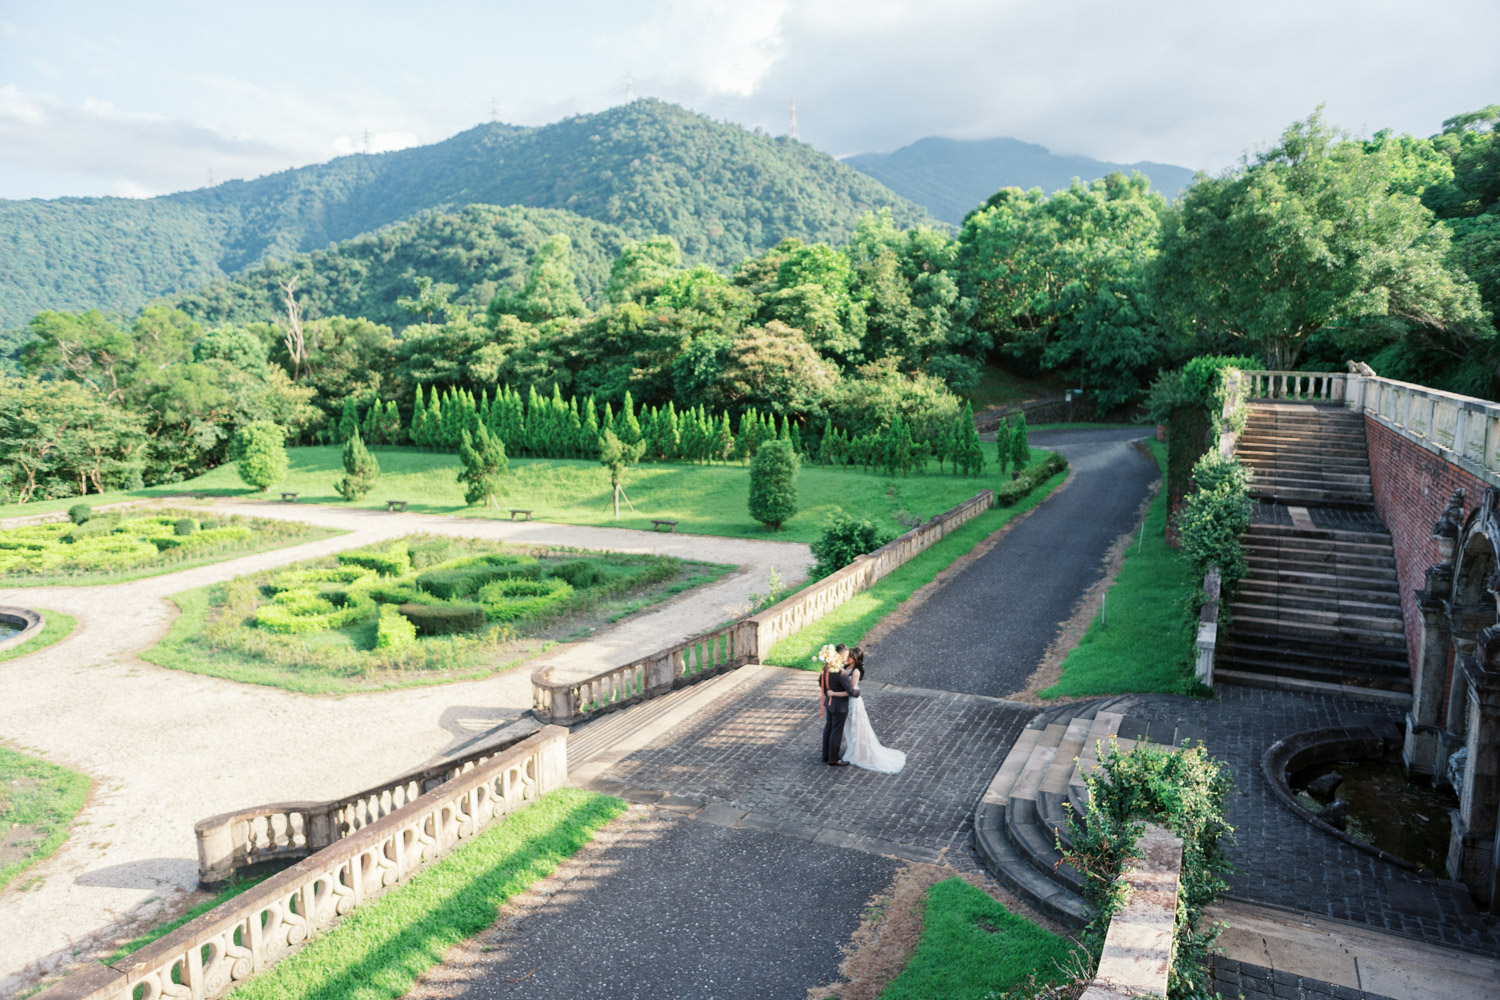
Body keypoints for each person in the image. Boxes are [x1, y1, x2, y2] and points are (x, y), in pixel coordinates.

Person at [840, 647, 906, 773]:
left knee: (856, 727)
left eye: (850, 656)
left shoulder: (855, 672)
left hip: (853, 703)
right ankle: (852, 749)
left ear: (855, 659)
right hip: (846, 703)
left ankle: (858, 752)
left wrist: (835, 693)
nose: (848, 658)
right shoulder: (846, 667)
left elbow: (851, 690)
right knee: (848, 727)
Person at [821, 643, 854, 766]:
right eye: (845, 656)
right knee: (836, 732)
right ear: (840, 655)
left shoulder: (826, 667)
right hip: (839, 706)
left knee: (828, 728)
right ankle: (834, 758)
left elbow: (821, 681)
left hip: (829, 704)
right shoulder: (841, 672)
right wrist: (857, 691)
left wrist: (828, 693)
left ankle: (826, 755)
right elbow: (851, 692)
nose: (846, 658)